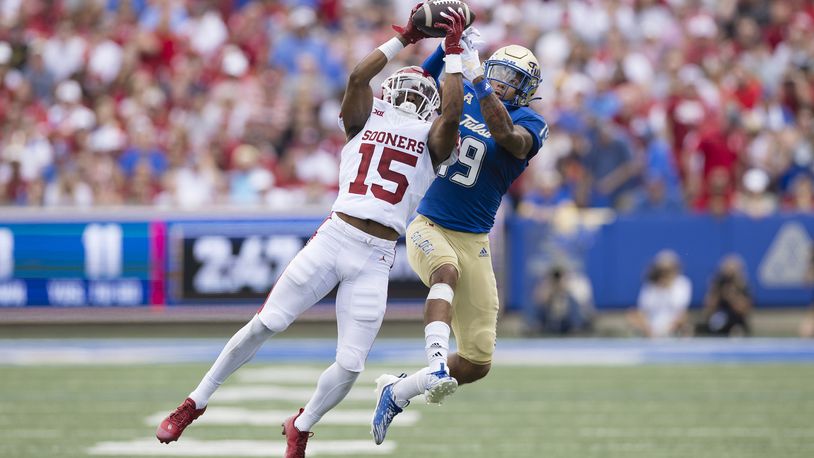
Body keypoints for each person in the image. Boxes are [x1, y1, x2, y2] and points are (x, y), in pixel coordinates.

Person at [154, 6, 467, 457]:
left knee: (351, 364)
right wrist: (405, 38)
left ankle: (301, 424)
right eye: (407, 86)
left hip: (377, 255)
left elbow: (453, 114)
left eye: (420, 91)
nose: (410, 94)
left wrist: (454, 52)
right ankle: (194, 403)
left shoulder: (433, 137)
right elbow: (359, 77)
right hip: (336, 236)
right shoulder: (365, 116)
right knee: (265, 323)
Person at [371, 27, 550, 444]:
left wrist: (480, 79)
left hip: (475, 239)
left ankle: (397, 390)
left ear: (527, 92)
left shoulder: (530, 122)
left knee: (476, 360)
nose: (505, 84)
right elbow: (417, 81)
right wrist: (447, 49)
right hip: (429, 223)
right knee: (444, 270)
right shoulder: (464, 91)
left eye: (514, 80)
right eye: (500, 73)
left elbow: (507, 137)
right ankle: (434, 361)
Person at [627, 249, 693, 338]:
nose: (665, 273)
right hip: (651, 331)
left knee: (686, 324)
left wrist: (667, 330)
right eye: (662, 270)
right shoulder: (650, 286)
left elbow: (682, 313)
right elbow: (642, 311)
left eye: (668, 270)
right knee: (632, 315)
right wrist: (649, 330)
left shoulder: (682, 283)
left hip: (674, 330)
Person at [699, 254, 753, 336]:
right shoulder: (718, 284)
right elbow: (708, 308)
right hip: (718, 317)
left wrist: (732, 296)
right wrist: (716, 292)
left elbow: (744, 310)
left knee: (737, 329)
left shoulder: (743, 286)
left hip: (736, 320)